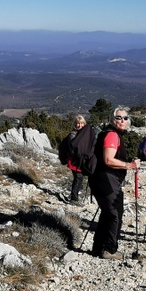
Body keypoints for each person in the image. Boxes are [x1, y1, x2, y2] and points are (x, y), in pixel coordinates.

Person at [88, 107, 140, 259]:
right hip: (106, 179)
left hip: (101, 179)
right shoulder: (112, 135)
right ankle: (110, 249)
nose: (122, 120)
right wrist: (128, 165)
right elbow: (108, 160)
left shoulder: (110, 133)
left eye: (125, 117)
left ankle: (97, 247)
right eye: (119, 117)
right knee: (114, 214)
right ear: (112, 119)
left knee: (107, 213)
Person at [58, 115, 94, 205]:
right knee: (78, 178)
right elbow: (74, 148)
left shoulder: (85, 135)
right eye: (78, 123)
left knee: (80, 178)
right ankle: (74, 199)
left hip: (80, 161)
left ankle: (75, 196)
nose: (80, 125)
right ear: (75, 124)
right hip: (74, 161)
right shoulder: (72, 134)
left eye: (82, 123)